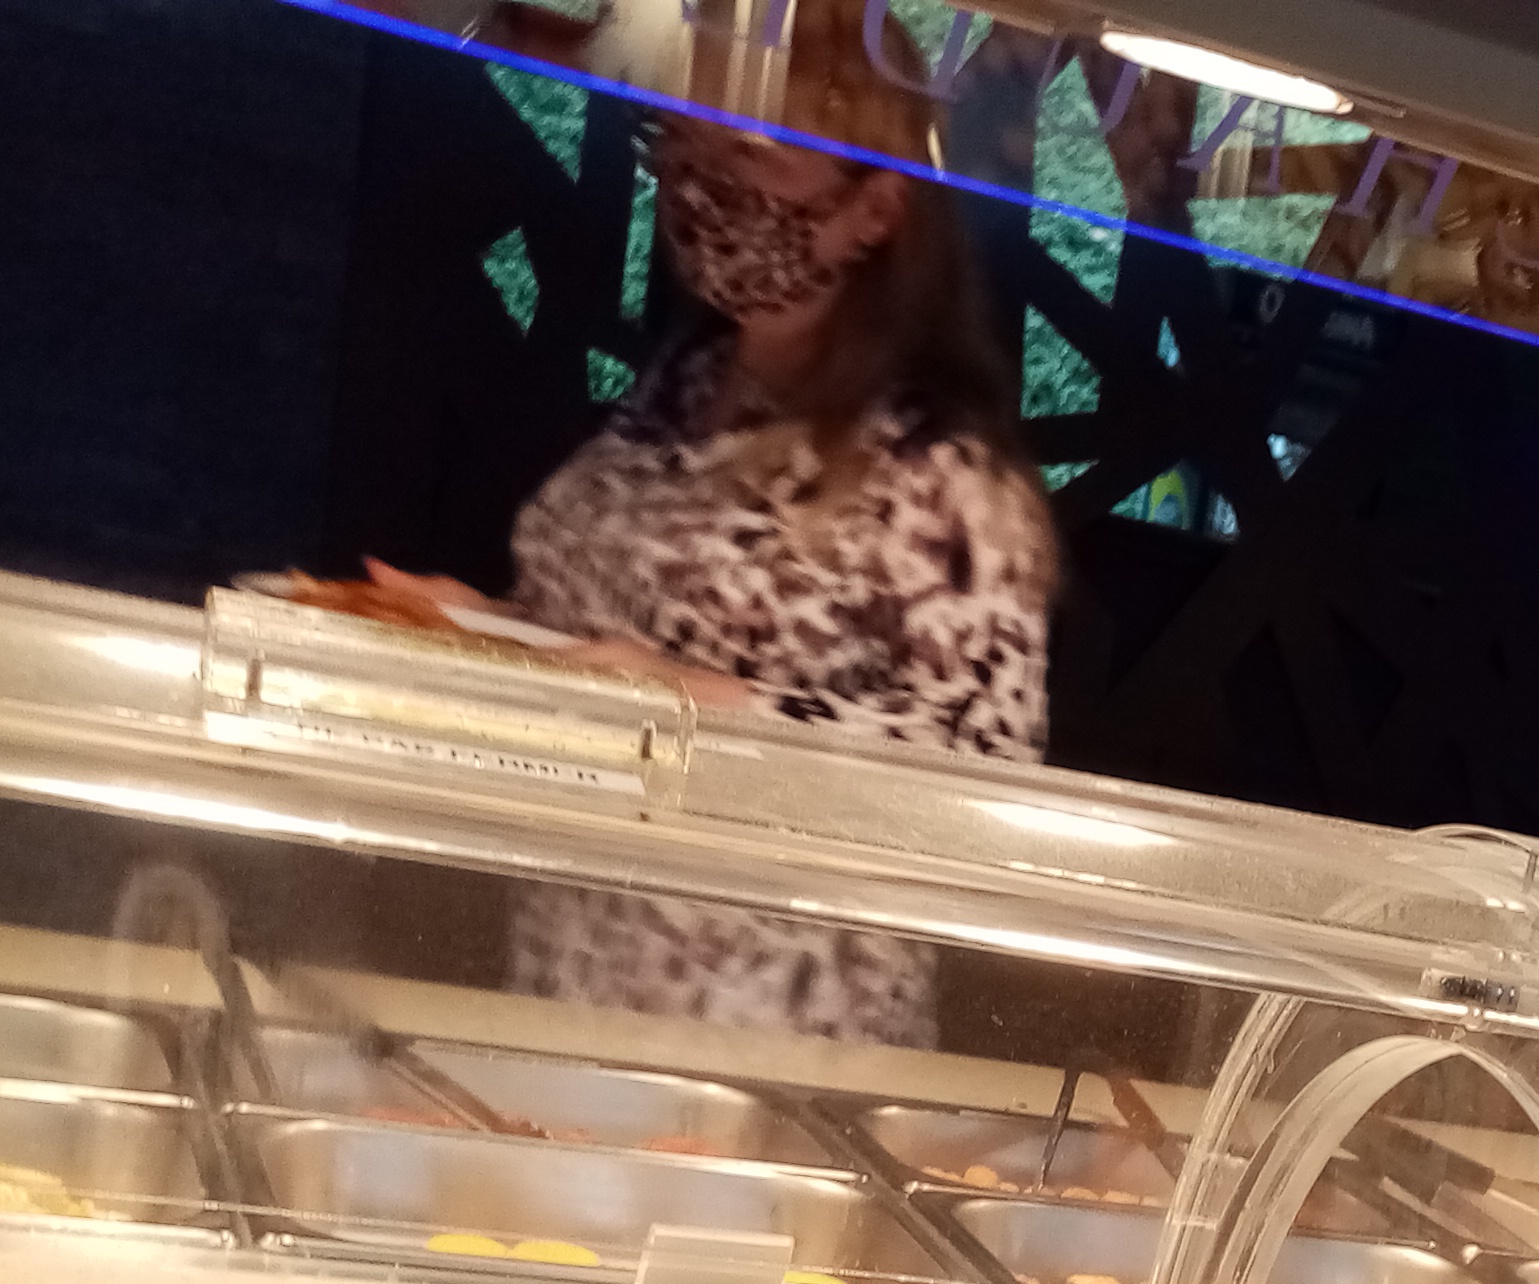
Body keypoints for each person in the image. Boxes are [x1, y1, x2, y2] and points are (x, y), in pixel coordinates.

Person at [374, 49, 1052, 1046]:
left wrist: (700, 706)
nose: (699, 184)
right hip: (574, 992)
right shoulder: (682, 389)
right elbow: (628, 644)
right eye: (680, 143)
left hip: (775, 1048)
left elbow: (983, 792)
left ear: (876, 210)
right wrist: (487, 630)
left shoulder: (943, 478)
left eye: (749, 154)